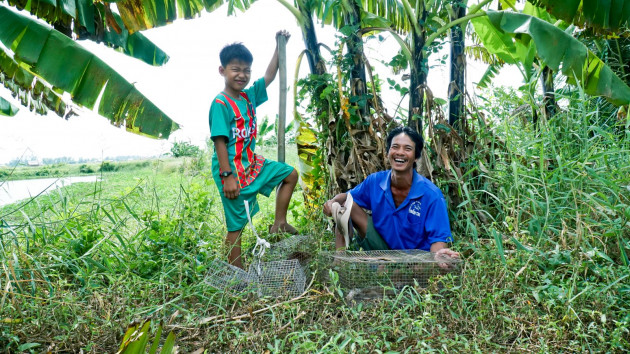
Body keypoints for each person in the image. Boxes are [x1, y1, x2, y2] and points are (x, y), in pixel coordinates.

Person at [209, 31, 298, 269]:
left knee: (290, 174)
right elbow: (219, 142)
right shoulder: (220, 104)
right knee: (236, 225)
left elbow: (269, 75)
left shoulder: (248, 97)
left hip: (251, 164)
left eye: (246, 70)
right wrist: (227, 177)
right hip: (231, 171)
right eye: (235, 69)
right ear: (222, 71)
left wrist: (280, 46)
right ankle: (236, 273)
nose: (242, 75)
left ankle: (279, 222)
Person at [323, 126, 459, 261]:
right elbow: (347, 197)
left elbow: (438, 241)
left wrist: (439, 258)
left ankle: (392, 271)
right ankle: (339, 262)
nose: (400, 152)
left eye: (407, 148)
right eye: (395, 147)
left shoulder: (432, 195)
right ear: (388, 152)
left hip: (415, 260)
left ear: (416, 157)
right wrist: (332, 202)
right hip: (382, 249)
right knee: (347, 205)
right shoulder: (375, 181)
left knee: (412, 271)